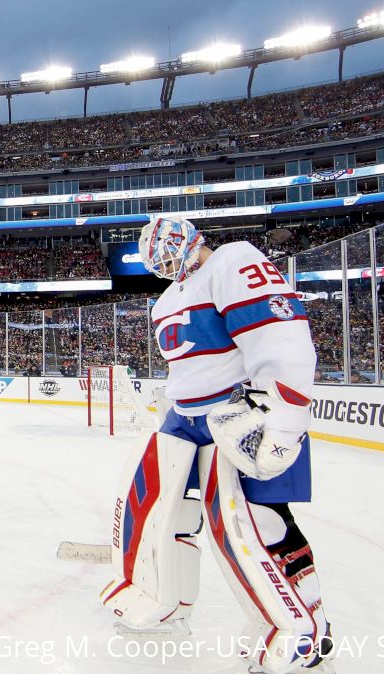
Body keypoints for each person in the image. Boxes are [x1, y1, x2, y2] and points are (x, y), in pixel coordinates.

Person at [99, 216, 332, 673]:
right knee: (157, 510)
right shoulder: (166, 300)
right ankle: (162, 600)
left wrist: (283, 417)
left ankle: (302, 630)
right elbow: (187, 368)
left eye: (166, 251)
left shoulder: (233, 260)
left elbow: (279, 336)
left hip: (235, 417)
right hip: (183, 419)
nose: (163, 262)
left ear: (189, 238)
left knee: (251, 523)